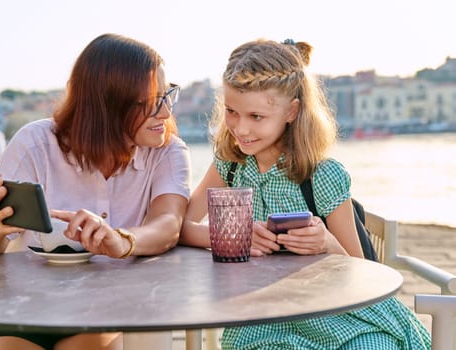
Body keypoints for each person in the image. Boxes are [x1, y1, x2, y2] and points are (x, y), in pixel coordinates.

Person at [179, 39, 430, 349]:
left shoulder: (321, 175)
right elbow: (178, 227)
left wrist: (326, 241)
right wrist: (236, 235)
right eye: (232, 112)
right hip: (266, 318)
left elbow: (363, 272)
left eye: (256, 117)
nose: (241, 129)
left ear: (292, 111)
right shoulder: (230, 166)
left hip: (342, 313)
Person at [0, 33, 190, 350]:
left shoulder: (168, 151)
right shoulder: (35, 144)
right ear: (106, 105)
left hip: (107, 311)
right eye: (149, 103)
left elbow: (168, 225)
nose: (165, 113)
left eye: (167, 95)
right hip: (17, 310)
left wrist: (122, 240)